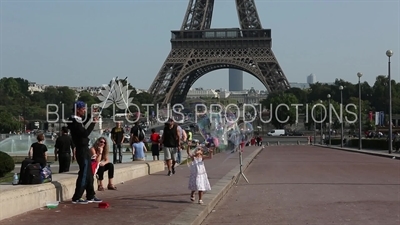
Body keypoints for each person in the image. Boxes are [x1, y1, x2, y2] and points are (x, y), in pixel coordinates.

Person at [67, 101, 102, 204]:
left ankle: (90, 195)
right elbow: (84, 133)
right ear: (77, 109)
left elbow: (83, 120)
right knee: (83, 174)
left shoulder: (77, 120)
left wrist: (91, 115)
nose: (84, 111)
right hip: (81, 150)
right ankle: (77, 197)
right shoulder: (73, 121)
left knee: (90, 174)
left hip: (85, 149)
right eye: (83, 109)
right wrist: (93, 123)